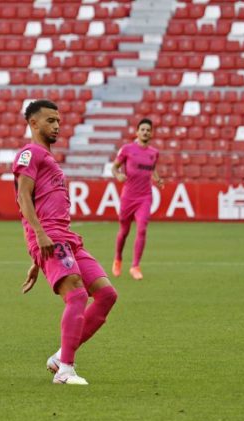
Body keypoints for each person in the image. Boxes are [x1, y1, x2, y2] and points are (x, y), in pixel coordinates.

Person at [13, 100, 118, 386]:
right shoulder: (29, 153)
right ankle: (65, 371)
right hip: (50, 235)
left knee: (107, 295)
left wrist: (37, 260)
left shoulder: (48, 158)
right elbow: (23, 197)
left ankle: (61, 356)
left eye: (58, 120)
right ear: (33, 123)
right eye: (50, 120)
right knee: (77, 295)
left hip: (66, 238)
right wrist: (39, 236)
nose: (57, 125)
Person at [111, 118, 163, 281]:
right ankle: (118, 259)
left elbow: (152, 169)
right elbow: (114, 167)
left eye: (148, 130)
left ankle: (135, 266)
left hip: (145, 197)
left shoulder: (154, 153)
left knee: (142, 229)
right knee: (124, 231)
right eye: (143, 129)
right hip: (128, 197)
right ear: (137, 132)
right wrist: (118, 175)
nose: (145, 132)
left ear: (151, 133)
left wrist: (157, 179)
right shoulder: (127, 149)